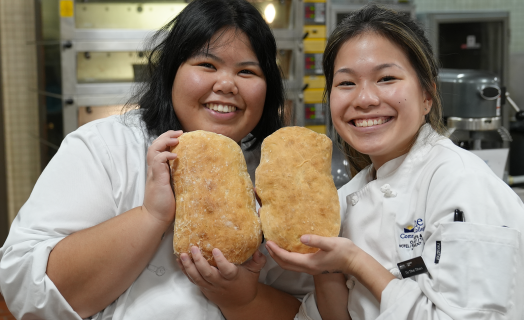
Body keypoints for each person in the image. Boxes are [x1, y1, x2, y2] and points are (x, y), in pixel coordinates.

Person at [0, 0, 313, 319]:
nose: (226, 84)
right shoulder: (105, 147)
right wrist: (150, 216)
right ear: (172, 70)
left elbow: (312, 306)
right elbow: (26, 288)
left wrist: (242, 299)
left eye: (247, 71)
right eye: (207, 65)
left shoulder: (278, 177)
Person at [265, 4, 524, 320]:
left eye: (386, 78)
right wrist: (327, 268)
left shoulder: (462, 183)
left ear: (427, 95)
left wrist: (354, 261)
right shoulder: (344, 202)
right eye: (346, 83)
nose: (365, 99)